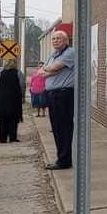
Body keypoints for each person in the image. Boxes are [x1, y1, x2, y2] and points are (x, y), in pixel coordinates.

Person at [37, 30, 74, 170]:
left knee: (63, 128)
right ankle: (61, 158)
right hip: (52, 95)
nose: (55, 41)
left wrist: (49, 69)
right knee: (56, 128)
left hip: (63, 95)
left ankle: (64, 161)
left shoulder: (70, 52)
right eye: (53, 39)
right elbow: (40, 73)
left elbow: (55, 67)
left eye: (59, 38)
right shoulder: (53, 55)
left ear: (66, 40)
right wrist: (50, 70)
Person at [0, 58, 25, 143]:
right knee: (14, 117)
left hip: (2, 99)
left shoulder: (0, 73)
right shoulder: (18, 73)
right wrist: (22, 96)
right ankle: (12, 137)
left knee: (3, 118)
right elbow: (22, 85)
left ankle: (2, 138)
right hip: (14, 98)